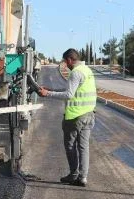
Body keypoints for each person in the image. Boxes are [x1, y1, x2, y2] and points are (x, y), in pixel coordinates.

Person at [37, 48, 97, 187]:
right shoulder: (87, 70)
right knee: (83, 147)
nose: (65, 64)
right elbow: (74, 92)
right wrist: (50, 90)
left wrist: (48, 94)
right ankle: (83, 178)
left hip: (76, 116)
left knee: (70, 146)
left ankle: (73, 174)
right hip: (89, 114)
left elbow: (69, 94)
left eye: (65, 61)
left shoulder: (75, 73)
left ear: (70, 60)